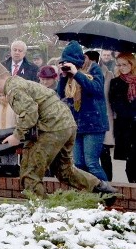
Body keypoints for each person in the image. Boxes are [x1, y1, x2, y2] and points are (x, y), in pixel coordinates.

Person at [0, 58, 116, 198]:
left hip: (51, 127)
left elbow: (29, 113)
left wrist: (17, 136)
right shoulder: (21, 83)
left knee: (30, 174)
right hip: (66, 125)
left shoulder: (13, 89)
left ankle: (42, 211)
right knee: (64, 171)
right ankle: (102, 188)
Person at [57, 41, 109, 182]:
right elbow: (60, 95)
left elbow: (96, 89)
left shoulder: (93, 69)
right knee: (78, 164)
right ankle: (87, 193)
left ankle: (108, 193)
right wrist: (63, 76)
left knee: (91, 163)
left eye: (70, 62)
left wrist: (76, 74)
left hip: (94, 124)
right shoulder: (67, 76)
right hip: (76, 124)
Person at [86, 50, 115, 181]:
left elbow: (111, 97)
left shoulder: (108, 74)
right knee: (88, 157)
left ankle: (107, 184)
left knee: (104, 154)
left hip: (103, 116)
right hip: (87, 119)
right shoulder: (81, 74)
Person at [109, 52, 136, 182]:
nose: (121, 67)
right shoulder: (116, 82)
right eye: (119, 65)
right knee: (130, 161)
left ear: (132, 64)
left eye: (124, 64)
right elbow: (116, 104)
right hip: (125, 126)